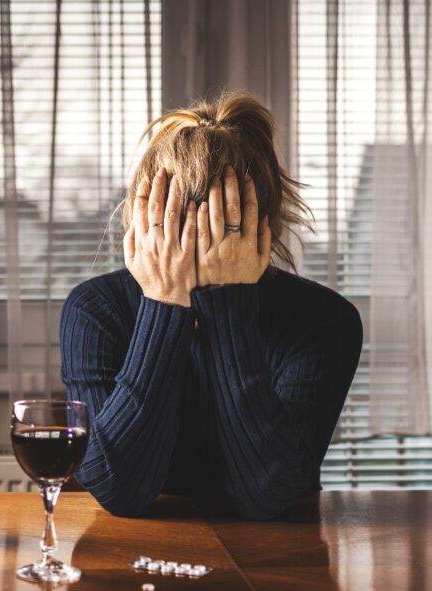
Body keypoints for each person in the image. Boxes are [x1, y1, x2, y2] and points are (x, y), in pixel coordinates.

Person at [59, 92, 363, 520]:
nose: (196, 242)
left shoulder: (324, 321)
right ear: (148, 220)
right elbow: (118, 488)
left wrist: (227, 305)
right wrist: (164, 302)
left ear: (258, 221)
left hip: (278, 563)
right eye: (179, 222)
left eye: (222, 224)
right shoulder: (95, 311)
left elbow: (269, 494)